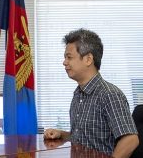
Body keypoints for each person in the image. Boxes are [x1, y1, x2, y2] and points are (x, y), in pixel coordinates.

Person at [43, 28, 139, 158]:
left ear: (88, 59)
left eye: (69, 57)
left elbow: (131, 140)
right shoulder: (78, 93)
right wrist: (62, 134)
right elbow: (86, 137)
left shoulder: (110, 95)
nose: (64, 62)